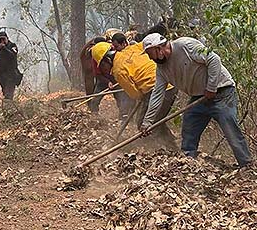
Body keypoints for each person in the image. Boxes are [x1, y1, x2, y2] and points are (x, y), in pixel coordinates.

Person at [142, 33, 253, 167]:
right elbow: (157, 94)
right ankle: (188, 163)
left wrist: (211, 87)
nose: (149, 57)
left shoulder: (185, 45)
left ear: (158, 49)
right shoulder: (161, 70)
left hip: (222, 92)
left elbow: (214, 60)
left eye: (150, 53)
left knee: (230, 128)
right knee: (189, 127)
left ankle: (246, 165)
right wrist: (147, 122)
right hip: (199, 97)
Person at [96, 40, 177, 148]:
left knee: (145, 123)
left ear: (106, 60)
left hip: (158, 90)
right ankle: (171, 144)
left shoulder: (118, 70)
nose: (103, 69)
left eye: (102, 65)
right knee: (155, 119)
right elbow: (144, 44)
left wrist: (142, 94)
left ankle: (164, 149)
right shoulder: (132, 48)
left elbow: (135, 94)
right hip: (171, 83)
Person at [91, 42, 135, 126]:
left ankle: (124, 118)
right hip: (103, 79)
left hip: (116, 77)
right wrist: (108, 82)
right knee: (95, 99)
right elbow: (97, 74)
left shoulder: (116, 53)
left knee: (121, 97)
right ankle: (94, 117)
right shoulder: (95, 59)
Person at [0, 31, 22, 101]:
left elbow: (13, 56)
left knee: (8, 94)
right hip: (1, 76)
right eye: (0, 39)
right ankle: (6, 108)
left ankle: (9, 106)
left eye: (3, 39)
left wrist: (5, 48)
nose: (2, 41)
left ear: (7, 38)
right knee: (5, 93)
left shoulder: (12, 46)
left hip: (10, 75)